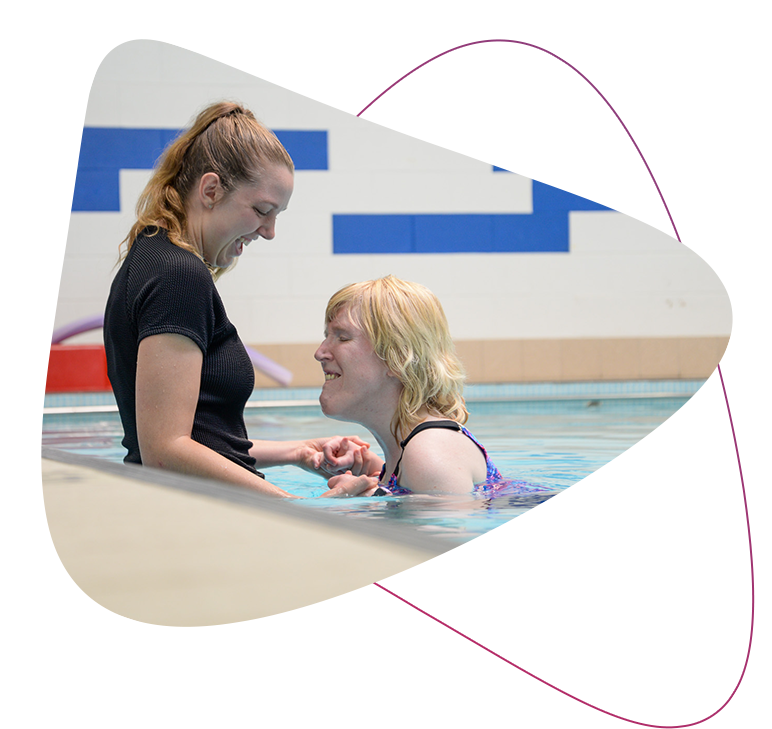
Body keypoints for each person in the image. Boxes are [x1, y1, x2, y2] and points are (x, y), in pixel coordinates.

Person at [104, 101, 372, 498]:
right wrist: (299, 507)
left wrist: (296, 452)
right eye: (263, 211)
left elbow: (198, 439)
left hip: (177, 507)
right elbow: (164, 450)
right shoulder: (179, 275)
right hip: (198, 516)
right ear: (211, 190)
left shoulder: (151, 255)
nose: (269, 232)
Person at [313, 275, 523, 497]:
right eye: (327, 336)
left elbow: (445, 530)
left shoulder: (429, 453)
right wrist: (372, 475)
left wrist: (341, 504)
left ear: (397, 358)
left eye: (343, 337)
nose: (320, 353)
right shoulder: (413, 453)